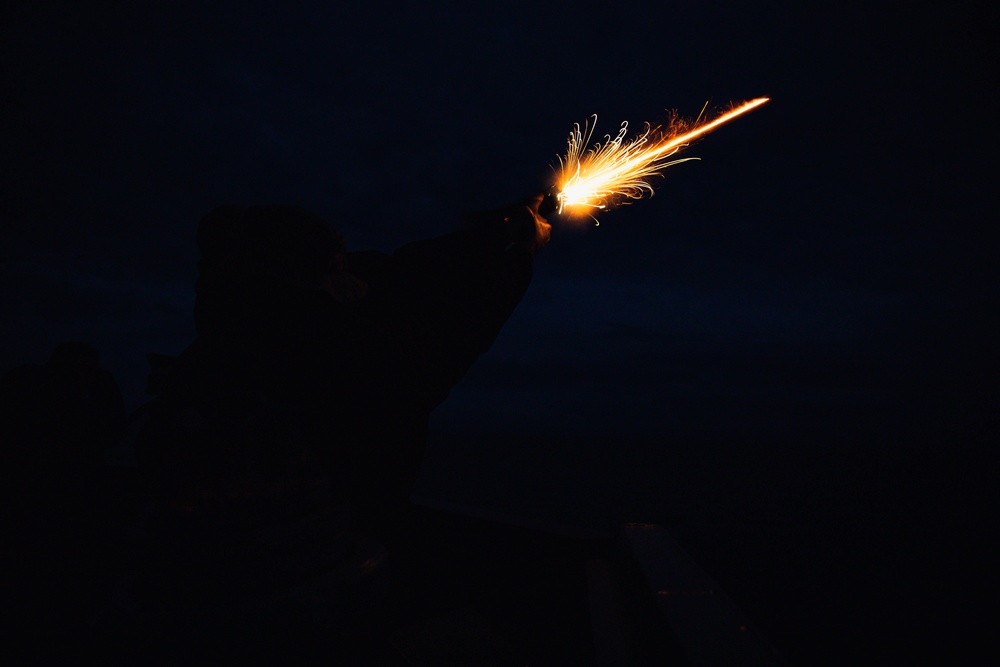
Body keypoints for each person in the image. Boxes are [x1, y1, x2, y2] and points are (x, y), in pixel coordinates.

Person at [118, 194, 552, 660]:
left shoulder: (223, 345)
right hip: (298, 613)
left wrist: (488, 234)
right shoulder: (328, 361)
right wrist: (517, 262)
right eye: (336, 265)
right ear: (304, 277)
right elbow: (444, 341)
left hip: (217, 607)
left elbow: (399, 269)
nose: (352, 277)